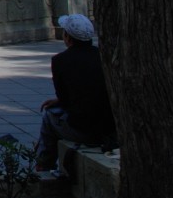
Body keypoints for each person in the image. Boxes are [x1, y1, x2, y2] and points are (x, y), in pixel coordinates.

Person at [35, 14, 116, 173]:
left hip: (84, 130)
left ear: (68, 37)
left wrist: (60, 101)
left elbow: (65, 100)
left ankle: (43, 165)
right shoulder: (103, 56)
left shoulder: (60, 61)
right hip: (109, 128)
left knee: (49, 117)